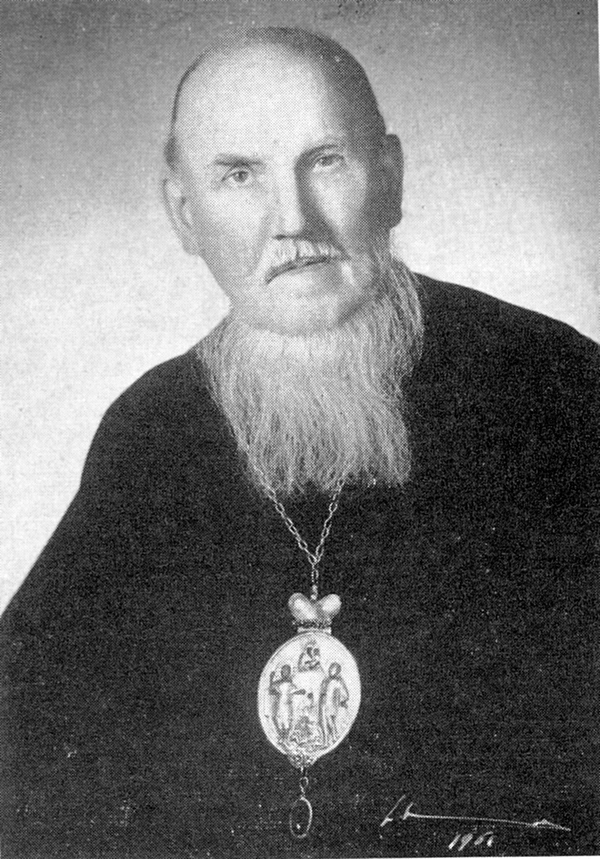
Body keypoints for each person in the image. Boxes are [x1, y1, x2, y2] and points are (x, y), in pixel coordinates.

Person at [1, 26, 597, 858]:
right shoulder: (151, 431)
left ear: (390, 177)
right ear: (184, 214)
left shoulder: (556, 383)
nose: (293, 221)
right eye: (240, 174)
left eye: (325, 160)